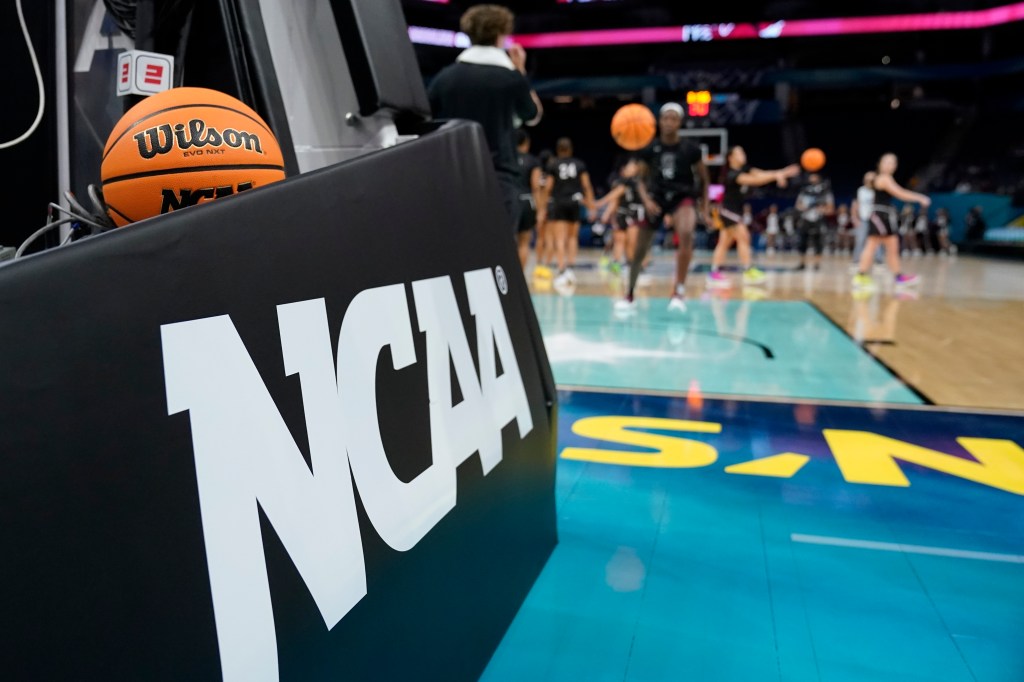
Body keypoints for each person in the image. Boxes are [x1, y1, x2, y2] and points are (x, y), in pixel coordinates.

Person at [427, 5, 542, 232]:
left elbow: (426, 120)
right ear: (502, 34)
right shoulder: (510, 78)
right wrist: (520, 70)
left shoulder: (445, 78)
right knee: (499, 250)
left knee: (459, 246)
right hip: (498, 176)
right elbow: (533, 115)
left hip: (454, 174)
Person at [619, 102, 709, 313]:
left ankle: (678, 291)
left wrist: (704, 206)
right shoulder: (650, 148)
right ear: (659, 122)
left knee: (686, 233)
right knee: (639, 250)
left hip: (682, 197)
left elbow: (704, 179)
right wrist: (647, 200)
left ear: (680, 122)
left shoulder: (691, 149)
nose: (669, 122)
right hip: (657, 198)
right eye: (665, 118)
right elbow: (639, 179)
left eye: (673, 118)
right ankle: (629, 293)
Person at [708, 146, 799, 288]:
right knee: (744, 236)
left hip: (735, 210)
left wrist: (781, 173)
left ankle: (714, 272)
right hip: (727, 210)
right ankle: (748, 270)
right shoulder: (731, 174)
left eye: (743, 152)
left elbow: (761, 174)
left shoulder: (745, 168)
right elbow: (756, 181)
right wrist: (778, 175)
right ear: (731, 158)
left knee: (724, 242)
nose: (743, 155)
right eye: (739, 153)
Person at [852, 153, 928, 292]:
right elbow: (900, 193)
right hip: (879, 215)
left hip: (886, 215)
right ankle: (860, 276)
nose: (889, 165)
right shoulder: (883, 178)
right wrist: (920, 197)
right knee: (872, 244)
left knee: (892, 247)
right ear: (879, 164)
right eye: (886, 162)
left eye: (892, 162)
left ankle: (898, 276)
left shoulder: (884, 178)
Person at [541, 138, 596, 288]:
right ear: (571, 149)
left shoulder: (553, 165)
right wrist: (591, 207)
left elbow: (548, 187)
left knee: (560, 238)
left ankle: (561, 268)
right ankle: (571, 267)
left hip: (559, 202)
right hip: (574, 202)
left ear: (558, 150)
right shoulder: (579, 164)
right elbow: (587, 186)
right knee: (572, 237)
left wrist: (543, 207)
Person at [596, 158, 648, 274]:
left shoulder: (641, 182)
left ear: (637, 169)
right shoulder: (621, 182)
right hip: (622, 213)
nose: (626, 168)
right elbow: (615, 200)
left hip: (636, 214)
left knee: (633, 241)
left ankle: (636, 263)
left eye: (630, 166)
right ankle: (617, 262)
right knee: (618, 239)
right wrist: (606, 212)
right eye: (627, 166)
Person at [793, 171, 834, 272]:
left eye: (815, 176)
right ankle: (802, 263)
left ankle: (817, 264)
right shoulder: (804, 190)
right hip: (805, 218)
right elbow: (798, 205)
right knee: (802, 241)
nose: (813, 178)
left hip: (818, 219)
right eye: (811, 176)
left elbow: (831, 208)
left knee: (818, 242)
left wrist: (822, 209)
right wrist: (803, 208)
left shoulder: (825, 191)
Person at [514, 129, 543, 269]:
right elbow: (536, 186)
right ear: (526, 143)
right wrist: (540, 210)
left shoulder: (505, 159)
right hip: (526, 201)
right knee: (524, 243)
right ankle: (520, 279)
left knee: (506, 243)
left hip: (508, 200)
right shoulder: (533, 161)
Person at [851, 171, 876, 263]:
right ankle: (856, 261)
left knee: (877, 241)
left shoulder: (878, 191)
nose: (869, 180)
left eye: (872, 179)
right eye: (868, 178)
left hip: (875, 220)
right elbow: (854, 205)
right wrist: (855, 218)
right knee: (860, 240)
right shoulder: (860, 190)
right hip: (863, 219)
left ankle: (879, 261)